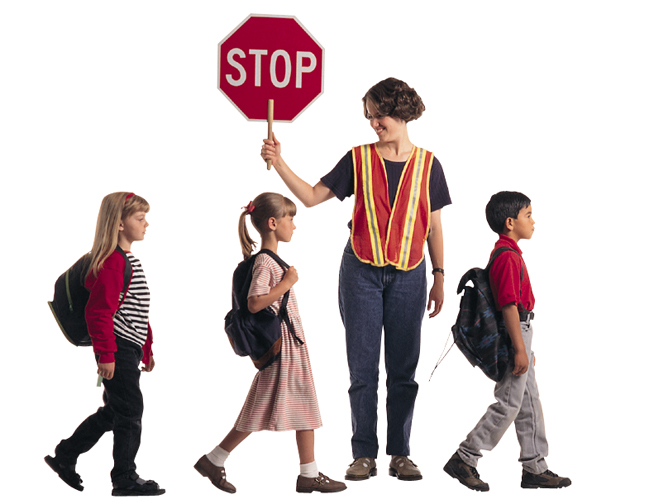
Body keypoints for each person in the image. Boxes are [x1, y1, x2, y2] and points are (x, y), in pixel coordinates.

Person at [261, 78, 451, 481]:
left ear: (400, 110)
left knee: (404, 369)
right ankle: (363, 453)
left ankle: (400, 454)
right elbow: (311, 197)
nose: (373, 124)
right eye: (369, 117)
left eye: (378, 115)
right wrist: (278, 162)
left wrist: (438, 275)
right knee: (362, 369)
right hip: (360, 272)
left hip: (410, 275)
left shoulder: (429, 164)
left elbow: (433, 225)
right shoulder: (358, 159)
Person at [194, 192, 346, 494]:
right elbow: (253, 303)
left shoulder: (268, 260)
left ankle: (220, 458)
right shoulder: (266, 261)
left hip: (289, 346)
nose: (294, 225)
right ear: (273, 223)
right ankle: (304, 473)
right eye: (290, 218)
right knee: (288, 405)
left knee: (290, 405)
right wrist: (286, 284)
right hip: (284, 348)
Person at [443, 191, 571, 491]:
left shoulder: (507, 254)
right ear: (511, 222)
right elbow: (509, 306)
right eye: (528, 215)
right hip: (516, 332)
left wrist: (525, 347)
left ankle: (535, 467)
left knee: (528, 403)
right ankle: (465, 457)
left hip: (522, 333)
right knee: (509, 403)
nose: (533, 220)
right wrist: (518, 349)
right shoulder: (507, 258)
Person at [44, 192, 164, 496]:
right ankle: (124, 478)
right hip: (117, 349)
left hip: (127, 350)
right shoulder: (112, 262)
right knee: (131, 411)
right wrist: (106, 355)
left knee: (114, 413)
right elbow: (98, 312)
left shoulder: (125, 260)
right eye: (140, 218)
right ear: (120, 224)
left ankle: (66, 455)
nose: (146, 223)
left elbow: (136, 310)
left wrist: (146, 350)